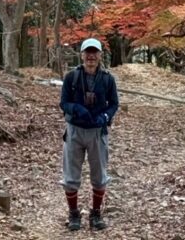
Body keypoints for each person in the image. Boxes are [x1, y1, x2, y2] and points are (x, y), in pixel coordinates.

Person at [59, 37, 119, 231]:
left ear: (100, 55)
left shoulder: (108, 79)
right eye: (88, 52)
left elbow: (114, 104)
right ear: (82, 55)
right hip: (74, 131)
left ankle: (96, 213)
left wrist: (105, 116)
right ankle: (73, 213)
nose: (91, 56)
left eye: (94, 52)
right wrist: (76, 108)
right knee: (70, 176)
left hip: (97, 132)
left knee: (99, 175)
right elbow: (63, 102)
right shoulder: (71, 77)